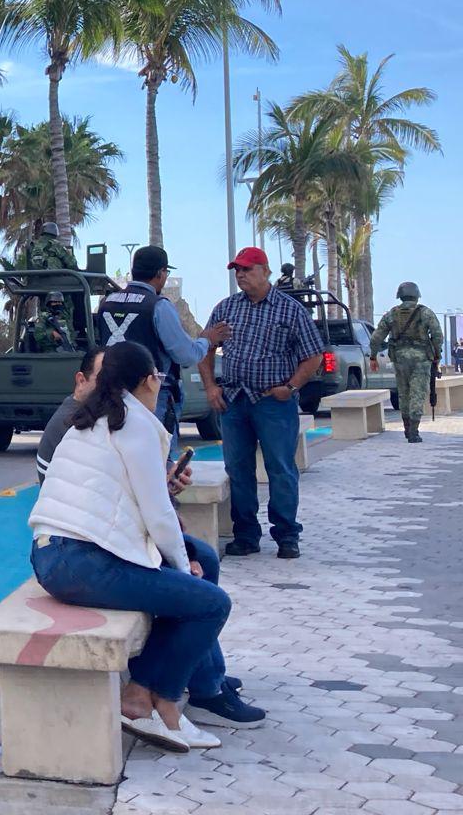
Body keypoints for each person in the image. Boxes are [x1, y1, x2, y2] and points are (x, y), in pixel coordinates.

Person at [36, 347, 266, 732]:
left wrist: (182, 559)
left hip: (58, 554)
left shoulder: (94, 418)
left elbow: (131, 500)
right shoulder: (135, 424)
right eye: (158, 376)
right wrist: (179, 565)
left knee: (203, 560)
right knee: (210, 603)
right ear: (149, 381)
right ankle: (155, 695)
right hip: (82, 560)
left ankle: (190, 684)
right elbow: (158, 516)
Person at [199, 247, 327, 560]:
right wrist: (211, 388)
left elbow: (313, 355)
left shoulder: (290, 310)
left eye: (246, 269)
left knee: (280, 468)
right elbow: (203, 347)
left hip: (274, 402)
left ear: (264, 271)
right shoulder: (226, 308)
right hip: (235, 402)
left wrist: (291, 387)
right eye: (236, 270)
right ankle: (245, 535)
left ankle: (286, 535)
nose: (240, 275)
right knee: (238, 469)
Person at [96, 246, 233, 440]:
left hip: (113, 393)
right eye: (166, 272)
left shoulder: (107, 302)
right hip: (151, 395)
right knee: (158, 459)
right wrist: (207, 340)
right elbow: (185, 355)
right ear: (160, 273)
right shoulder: (158, 306)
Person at [369, 281, 442, 444]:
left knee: (403, 393)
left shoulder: (391, 314)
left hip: (399, 358)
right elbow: (437, 335)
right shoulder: (425, 313)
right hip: (421, 359)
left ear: (400, 296)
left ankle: (406, 427)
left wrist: (373, 357)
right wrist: (437, 355)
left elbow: (376, 338)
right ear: (416, 295)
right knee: (417, 393)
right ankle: (414, 432)